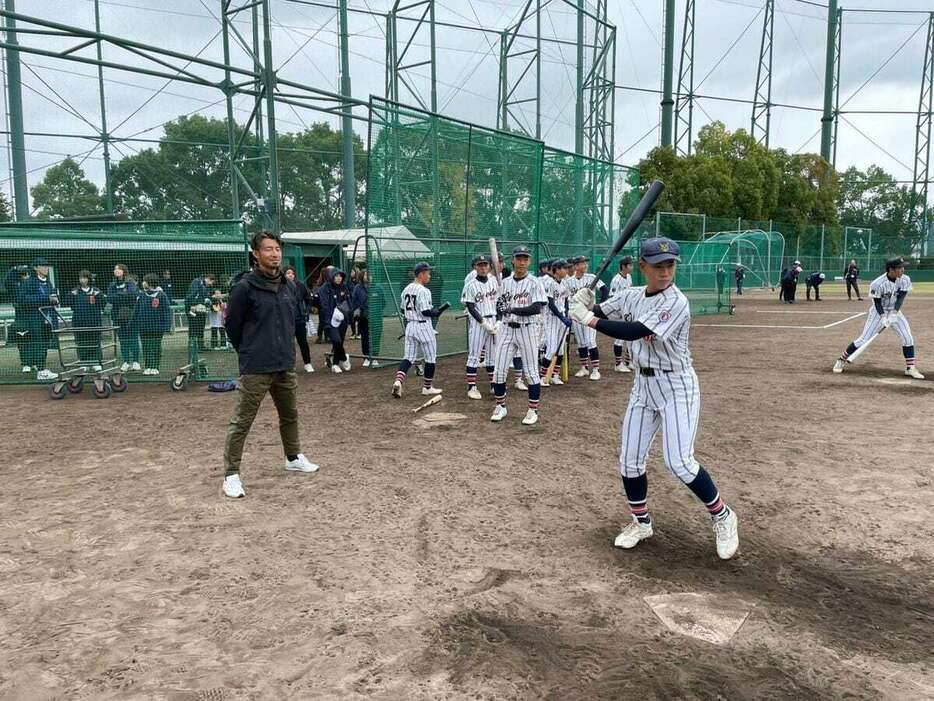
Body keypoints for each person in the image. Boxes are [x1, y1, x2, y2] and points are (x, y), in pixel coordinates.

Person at [568, 236, 739, 560]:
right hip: (643, 387)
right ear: (643, 266)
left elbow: (629, 331)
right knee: (630, 461)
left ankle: (723, 515)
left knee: (679, 462)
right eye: (658, 266)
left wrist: (586, 317)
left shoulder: (676, 302)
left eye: (670, 265)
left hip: (677, 386)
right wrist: (585, 300)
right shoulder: (632, 295)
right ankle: (641, 522)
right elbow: (604, 310)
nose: (665, 272)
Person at [222, 230, 320, 499]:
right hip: (256, 366)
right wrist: (248, 350)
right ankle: (231, 475)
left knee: (290, 415)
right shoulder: (245, 287)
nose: (274, 254)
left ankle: (293, 457)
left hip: (284, 364)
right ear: (256, 254)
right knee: (242, 421)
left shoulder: (289, 286)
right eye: (268, 249)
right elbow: (232, 326)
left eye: (277, 249)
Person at [833, 258, 924, 379]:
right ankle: (842, 359)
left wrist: (894, 312)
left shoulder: (905, 279)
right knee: (863, 339)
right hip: (878, 312)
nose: (903, 270)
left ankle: (910, 368)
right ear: (891, 269)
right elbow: (877, 303)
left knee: (907, 337)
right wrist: (882, 317)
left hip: (894, 311)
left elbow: (901, 297)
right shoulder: (877, 283)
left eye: (903, 267)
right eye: (900, 268)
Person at [489, 245, 546, 425]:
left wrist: (512, 308)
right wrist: (499, 312)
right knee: (498, 372)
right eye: (518, 258)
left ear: (529, 261)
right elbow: (499, 306)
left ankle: (532, 410)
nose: (521, 262)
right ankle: (501, 406)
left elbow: (536, 308)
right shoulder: (504, 283)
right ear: (512, 260)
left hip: (528, 329)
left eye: (525, 258)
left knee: (530, 372)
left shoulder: (535, 282)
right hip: (506, 329)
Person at [392, 262, 447, 398]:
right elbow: (426, 312)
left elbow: (402, 309)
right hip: (423, 326)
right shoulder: (424, 291)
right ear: (421, 274)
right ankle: (427, 388)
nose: (429, 276)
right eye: (428, 273)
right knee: (430, 358)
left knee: (408, 358)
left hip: (410, 325)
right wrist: (437, 311)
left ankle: (398, 381)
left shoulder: (406, 289)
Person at [17, 256, 61, 380]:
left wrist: (55, 299)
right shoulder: (28, 282)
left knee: (45, 343)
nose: (46, 268)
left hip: (48, 319)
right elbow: (23, 300)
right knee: (38, 343)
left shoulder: (48, 282)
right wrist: (46, 299)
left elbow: (52, 296)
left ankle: (41, 367)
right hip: (34, 319)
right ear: (36, 268)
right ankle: (41, 370)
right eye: (43, 266)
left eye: (47, 266)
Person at [461, 254, 498, 399]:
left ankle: (493, 385)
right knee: (474, 356)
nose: (483, 267)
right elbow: (470, 307)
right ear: (474, 267)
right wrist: (483, 322)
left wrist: (499, 321)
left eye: (485, 264)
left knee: (492, 357)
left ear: (489, 266)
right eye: (479, 265)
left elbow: (500, 302)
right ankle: (472, 388)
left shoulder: (495, 281)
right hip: (478, 323)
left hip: (494, 319)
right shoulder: (470, 285)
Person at [564, 255, 606, 380]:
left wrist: (601, 306)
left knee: (590, 341)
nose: (585, 265)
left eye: (586, 263)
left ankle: (596, 370)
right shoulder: (569, 281)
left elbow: (605, 289)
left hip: (588, 313)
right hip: (576, 314)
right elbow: (566, 298)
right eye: (582, 263)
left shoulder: (592, 277)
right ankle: (584, 368)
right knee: (581, 342)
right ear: (576, 266)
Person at [539, 258, 572, 387]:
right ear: (557, 270)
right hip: (552, 318)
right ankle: (542, 377)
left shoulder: (565, 283)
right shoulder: (550, 283)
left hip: (562, 317)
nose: (566, 270)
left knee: (561, 349)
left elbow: (566, 301)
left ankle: (555, 375)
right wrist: (561, 317)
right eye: (564, 268)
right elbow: (551, 304)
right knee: (552, 348)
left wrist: (567, 315)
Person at [66, 270, 105, 371]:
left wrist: (98, 296)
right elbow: (69, 304)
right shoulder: (74, 291)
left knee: (95, 341)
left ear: (89, 279)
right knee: (82, 342)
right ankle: (84, 362)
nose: (82, 280)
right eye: (81, 278)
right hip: (79, 321)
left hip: (94, 321)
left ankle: (96, 361)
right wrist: (71, 295)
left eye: (84, 278)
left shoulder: (96, 291)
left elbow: (102, 304)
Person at [135, 273, 172, 375]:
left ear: (150, 282)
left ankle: (155, 366)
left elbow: (167, 311)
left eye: (145, 281)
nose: (143, 283)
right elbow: (136, 311)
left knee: (155, 346)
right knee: (146, 347)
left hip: (157, 327)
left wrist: (167, 326)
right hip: (143, 327)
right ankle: (147, 366)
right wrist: (132, 324)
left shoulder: (161, 295)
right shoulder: (141, 295)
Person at [108, 263, 141, 372]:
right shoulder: (112, 285)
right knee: (123, 340)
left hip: (131, 317)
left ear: (124, 271)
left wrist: (119, 296)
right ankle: (126, 361)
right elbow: (110, 298)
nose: (116, 271)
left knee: (133, 339)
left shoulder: (130, 283)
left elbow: (132, 295)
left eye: (118, 269)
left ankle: (136, 362)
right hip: (117, 317)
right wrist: (123, 294)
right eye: (115, 269)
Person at [318, 267, 352, 373]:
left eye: (340, 276)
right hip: (330, 320)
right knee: (336, 340)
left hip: (342, 319)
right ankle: (344, 358)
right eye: (336, 276)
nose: (339, 278)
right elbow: (325, 305)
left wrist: (349, 316)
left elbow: (348, 301)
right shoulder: (325, 288)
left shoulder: (344, 287)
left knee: (340, 341)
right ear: (331, 276)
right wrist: (328, 322)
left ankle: (335, 364)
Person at [283, 266, 314, 373]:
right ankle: (290, 365)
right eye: (287, 273)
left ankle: (307, 363)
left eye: (292, 273)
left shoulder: (300, 285)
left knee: (303, 342)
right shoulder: (280, 286)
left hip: (300, 319)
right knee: (288, 344)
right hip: (286, 321)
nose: (290, 275)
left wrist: (307, 310)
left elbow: (308, 298)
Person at [609, 256, 634, 373]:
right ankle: (618, 364)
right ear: (623, 266)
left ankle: (629, 362)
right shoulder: (616, 280)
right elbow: (612, 298)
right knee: (620, 339)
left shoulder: (629, 277)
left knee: (630, 337)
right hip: (619, 312)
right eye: (629, 265)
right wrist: (617, 313)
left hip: (628, 311)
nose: (632, 267)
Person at [5, 266, 31, 372]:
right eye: (23, 275)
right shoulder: (16, 286)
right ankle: (25, 363)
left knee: (34, 339)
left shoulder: (33, 286)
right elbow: (7, 282)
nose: (26, 277)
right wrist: (14, 269)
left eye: (27, 274)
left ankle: (35, 362)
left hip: (34, 317)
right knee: (22, 339)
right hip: (21, 318)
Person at [352, 269, 376, 367]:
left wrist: (376, 311)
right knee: (365, 337)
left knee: (375, 337)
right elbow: (354, 301)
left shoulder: (376, 287)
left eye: (370, 275)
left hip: (374, 317)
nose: (368, 277)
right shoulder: (358, 288)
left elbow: (382, 301)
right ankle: (366, 357)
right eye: (366, 275)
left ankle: (375, 357)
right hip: (363, 317)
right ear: (362, 276)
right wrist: (360, 311)